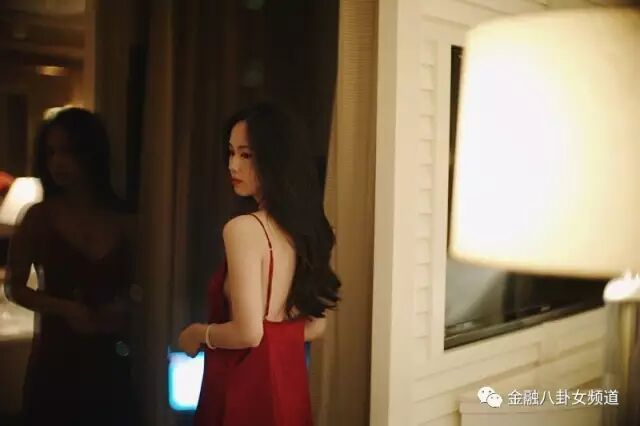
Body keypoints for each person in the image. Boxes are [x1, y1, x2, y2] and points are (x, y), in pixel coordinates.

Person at [178, 102, 341, 425]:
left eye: (246, 155)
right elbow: (316, 325)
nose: (232, 165)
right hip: (288, 388)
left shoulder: (243, 229)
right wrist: (277, 336)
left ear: (276, 159)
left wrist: (197, 333)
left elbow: (248, 333)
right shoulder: (305, 230)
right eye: (231, 153)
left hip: (243, 388)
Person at [5, 108, 138, 425]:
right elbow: (14, 288)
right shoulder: (39, 217)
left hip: (110, 356)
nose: (58, 163)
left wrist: (123, 307)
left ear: (90, 153)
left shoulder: (123, 219)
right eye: (51, 153)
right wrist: (65, 308)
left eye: (67, 151)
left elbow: (141, 285)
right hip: (56, 359)